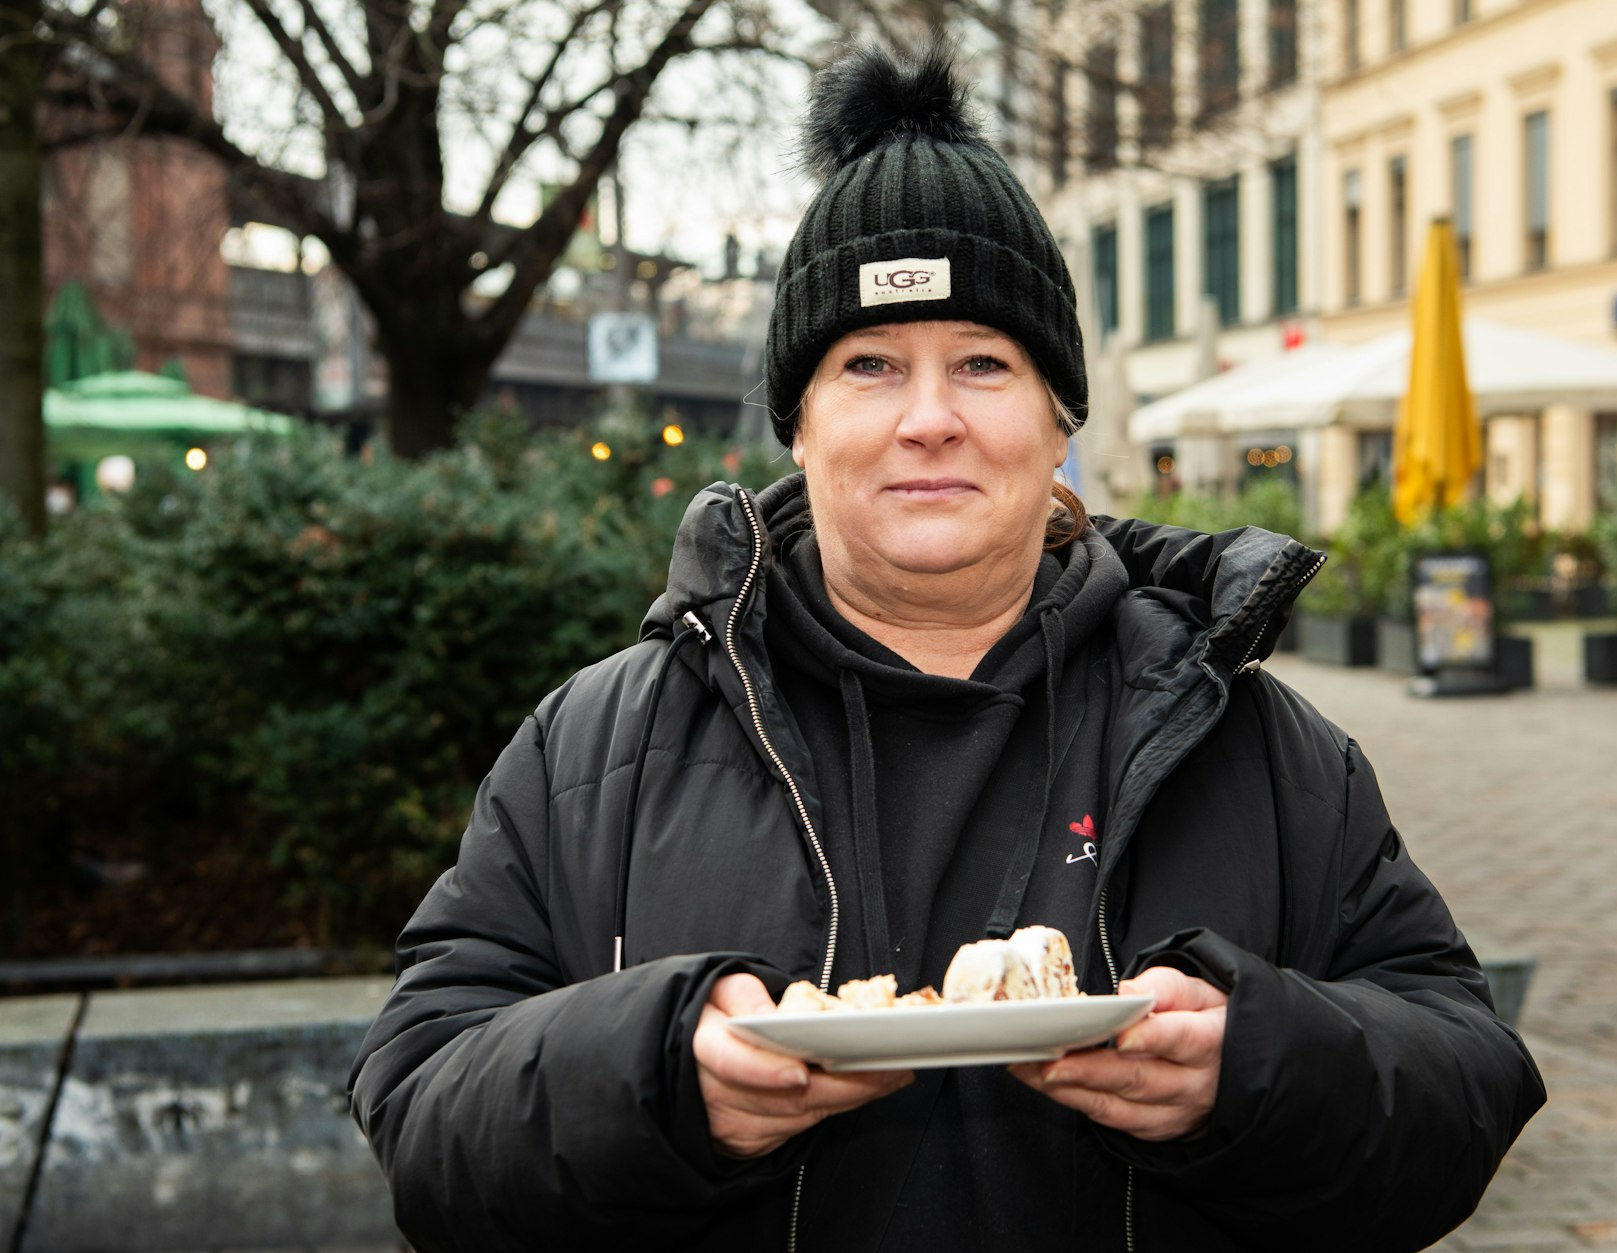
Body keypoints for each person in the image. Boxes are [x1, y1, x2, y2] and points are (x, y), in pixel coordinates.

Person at [348, 43, 1544, 1252]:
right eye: (869, 366)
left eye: (983, 362)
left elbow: (1462, 1075)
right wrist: (656, 1076)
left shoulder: (1254, 740)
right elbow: (423, 1106)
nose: (930, 419)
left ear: (1054, 420)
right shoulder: (598, 746)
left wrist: (1255, 1069)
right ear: (799, 426)